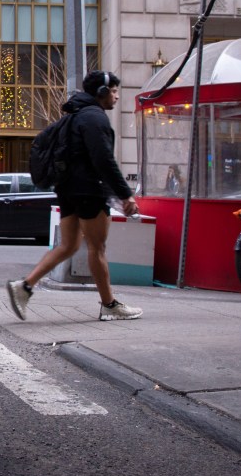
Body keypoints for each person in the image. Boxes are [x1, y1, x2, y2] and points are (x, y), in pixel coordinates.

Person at [7, 70, 143, 323]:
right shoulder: (94, 118)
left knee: (68, 245)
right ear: (101, 93)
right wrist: (126, 194)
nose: (116, 96)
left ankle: (24, 287)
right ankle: (109, 305)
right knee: (97, 248)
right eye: (113, 91)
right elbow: (103, 159)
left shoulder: (75, 116)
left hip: (68, 189)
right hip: (88, 190)